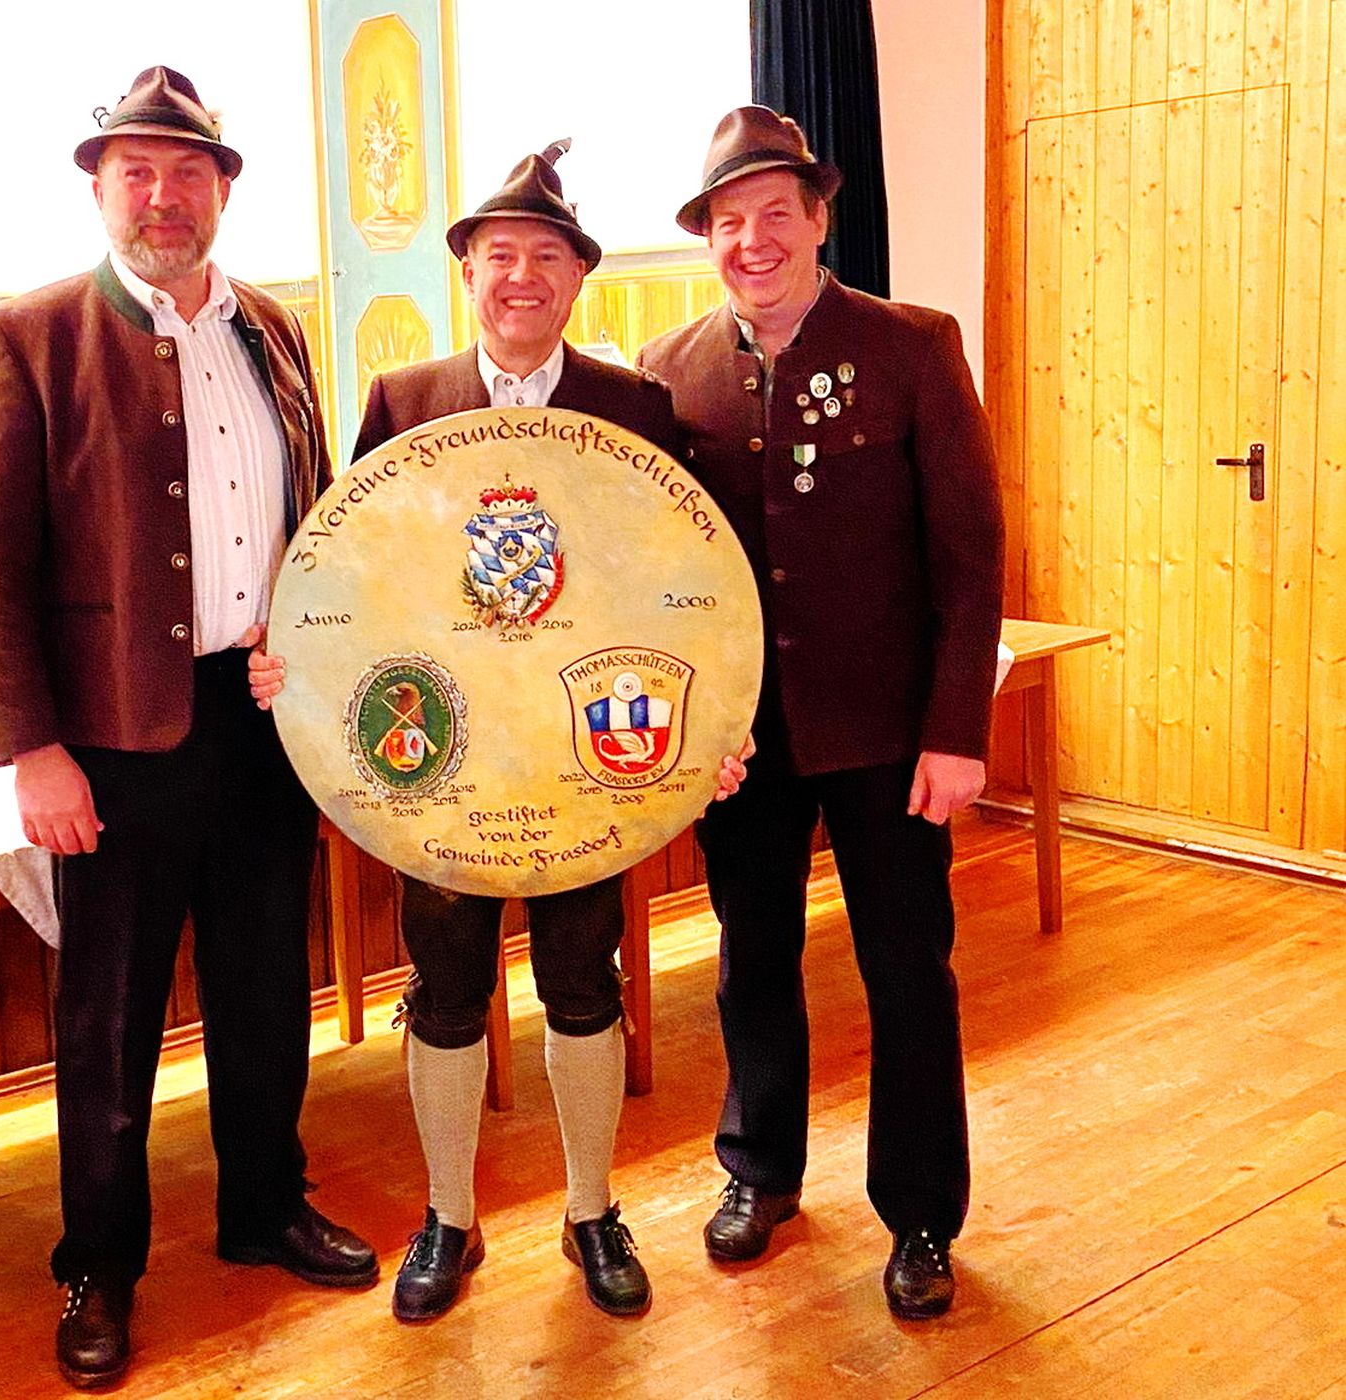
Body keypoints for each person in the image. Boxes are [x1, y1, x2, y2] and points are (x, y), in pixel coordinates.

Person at [0, 66, 376, 1390]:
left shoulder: (274, 331)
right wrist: (32, 749)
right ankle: (99, 1264)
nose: (162, 194)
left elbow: (317, 515)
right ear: (99, 187)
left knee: (266, 988)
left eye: (188, 171)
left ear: (223, 191)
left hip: (261, 720)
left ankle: (263, 1205)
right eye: (135, 170)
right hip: (115, 742)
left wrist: (313, 653)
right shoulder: (30, 336)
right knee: (111, 1018)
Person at [252, 144, 695, 1322]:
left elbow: (679, 586)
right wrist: (305, 666)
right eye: (500, 254)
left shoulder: (635, 407)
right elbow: (357, 570)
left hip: (583, 751)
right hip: (442, 755)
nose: (522, 276)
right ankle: (448, 1215)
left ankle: (592, 1209)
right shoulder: (404, 402)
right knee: (445, 987)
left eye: (547, 256)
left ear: (580, 277)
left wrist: (710, 716)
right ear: (468, 272)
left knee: (583, 978)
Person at [637, 105, 1004, 1320]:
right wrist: (687, 725)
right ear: (707, 238)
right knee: (753, 957)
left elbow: (969, 554)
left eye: (773, 215)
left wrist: (957, 729)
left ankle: (922, 1214)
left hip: (889, 734)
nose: (752, 241)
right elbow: (656, 567)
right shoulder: (667, 369)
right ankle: (761, 1169)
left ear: (818, 218)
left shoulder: (913, 346)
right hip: (743, 739)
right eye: (727, 222)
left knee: (908, 967)